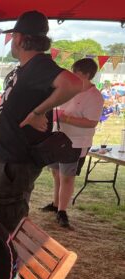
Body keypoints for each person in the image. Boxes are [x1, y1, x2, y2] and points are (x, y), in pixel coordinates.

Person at [0, 10, 82, 232]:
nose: (11, 42)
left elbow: (73, 84)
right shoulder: (28, 68)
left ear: (20, 38)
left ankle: (9, 263)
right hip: (8, 155)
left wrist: (39, 111)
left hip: (16, 159)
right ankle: (7, 259)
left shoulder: (39, 65)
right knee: (6, 214)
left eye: (13, 38)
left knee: (9, 222)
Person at [40, 58, 104, 229]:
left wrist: (65, 117)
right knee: (56, 173)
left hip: (76, 142)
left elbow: (91, 122)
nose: (73, 76)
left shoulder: (94, 96)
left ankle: (62, 211)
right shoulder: (70, 89)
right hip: (57, 137)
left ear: (88, 75)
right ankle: (55, 204)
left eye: (77, 74)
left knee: (67, 177)